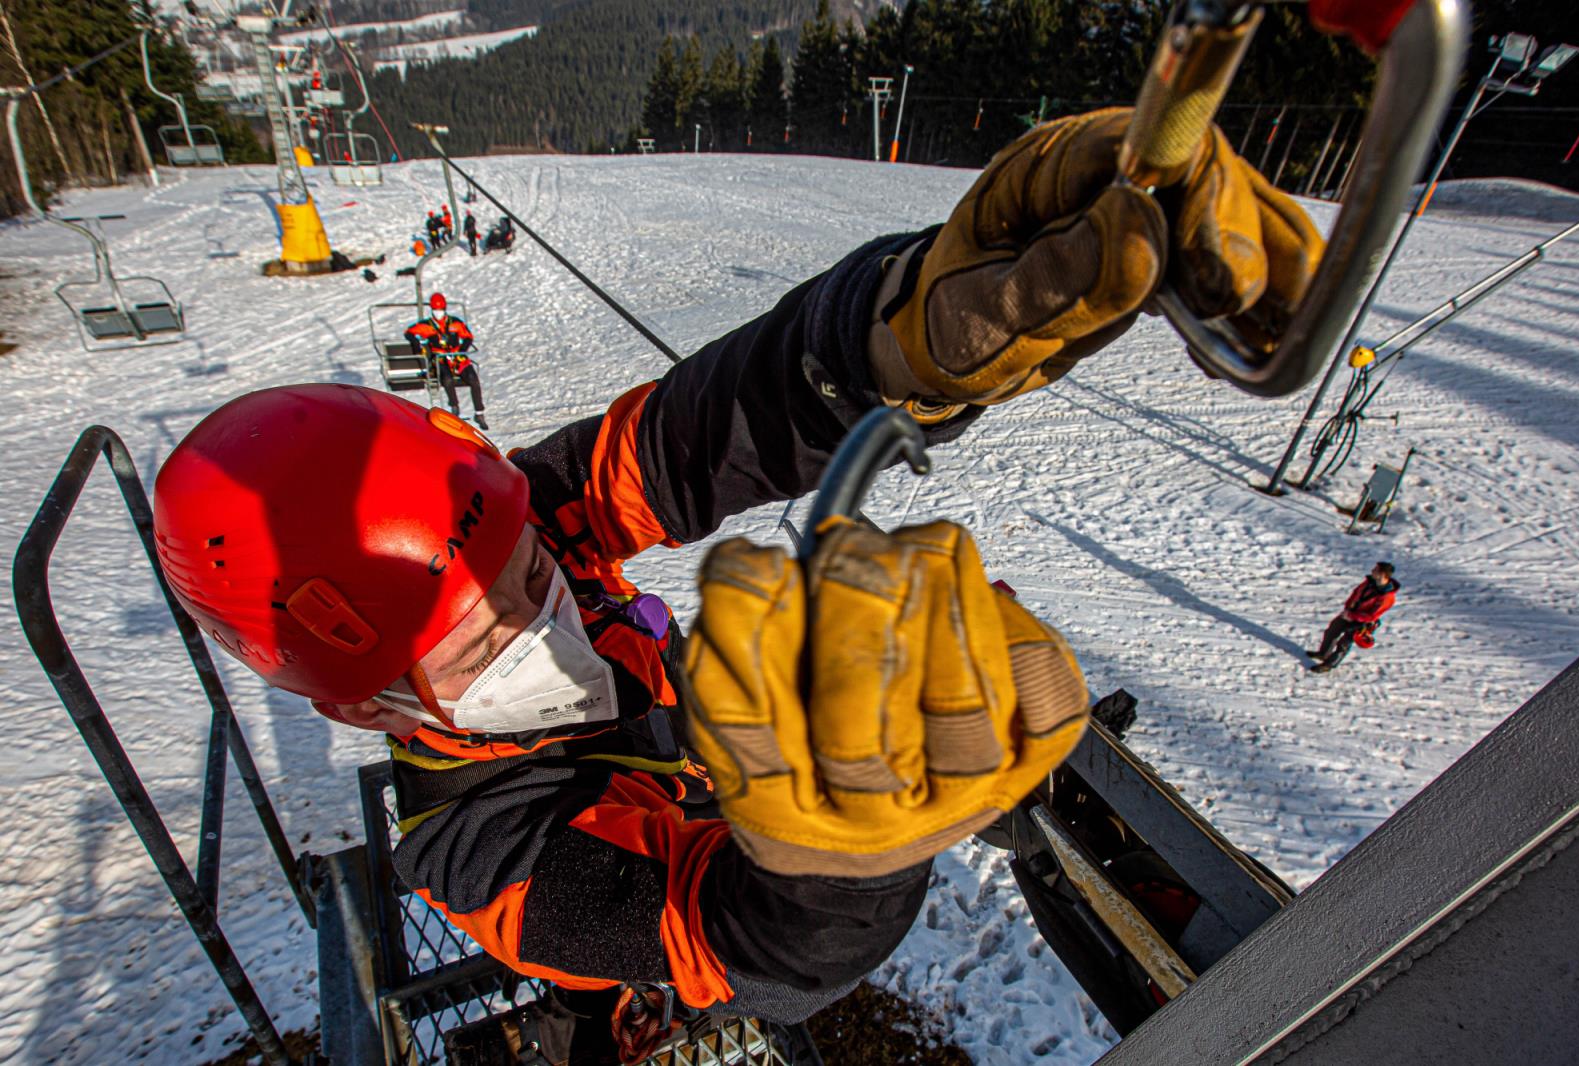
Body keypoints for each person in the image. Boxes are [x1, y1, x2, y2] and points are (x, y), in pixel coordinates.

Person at [150, 109, 1320, 1057]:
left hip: (696, 764)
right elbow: (741, 939)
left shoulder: (520, 519)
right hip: (644, 937)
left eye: (527, 571)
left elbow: (707, 425)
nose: (533, 614)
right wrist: (844, 855)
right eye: (471, 645)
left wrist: (899, 331)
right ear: (366, 706)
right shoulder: (478, 851)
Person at [405, 292, 486, 428]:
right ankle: (454, 406)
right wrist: (416, 344)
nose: (439, 313)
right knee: (447, 379)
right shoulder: (427, 325)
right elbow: (410, 332)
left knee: (473, 378)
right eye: (436, 310)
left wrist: (462, 349)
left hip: (457, 357)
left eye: (441, 310)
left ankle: (479, 412)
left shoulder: (455, 323)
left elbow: (467, 336)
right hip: (440, 359)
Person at [1308, 561, 1400, 673]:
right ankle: (1323, 653)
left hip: (1361, 622)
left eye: (1375, 570)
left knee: (1344, 643)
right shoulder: (1369, 582)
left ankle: (1329, 664)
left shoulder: (1387, 597)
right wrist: (1348, 608)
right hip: (1349, 614)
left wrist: (1352, 616)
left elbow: (1372, 615)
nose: (1372, 571)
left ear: (1383, 574)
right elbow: (1356, 593)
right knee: (1331, 631)